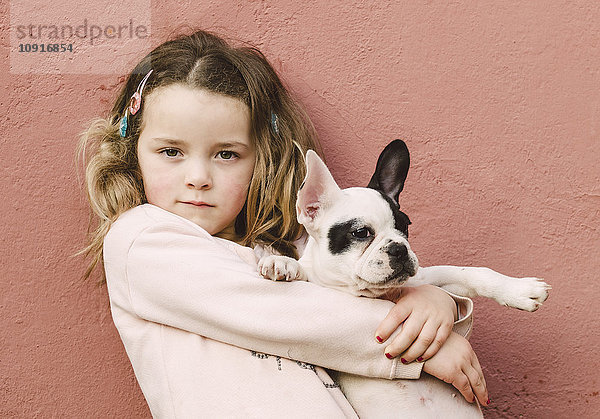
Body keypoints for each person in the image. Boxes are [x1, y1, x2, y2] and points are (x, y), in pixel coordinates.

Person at [78, 29, 488, 417]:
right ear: (132, 151)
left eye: (226, 154)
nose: (198, 177)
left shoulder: (291, 249)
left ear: (263, 158)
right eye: (171, 151)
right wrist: (422, 343)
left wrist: (428, 298)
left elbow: (347, 293)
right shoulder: (141, 239)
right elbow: (285, 314)